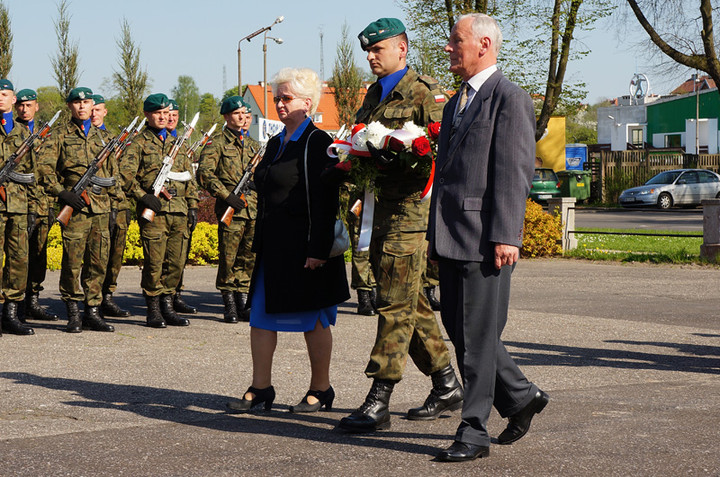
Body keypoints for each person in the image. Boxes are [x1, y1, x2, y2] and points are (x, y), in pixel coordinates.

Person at [427, 14, 549, 462]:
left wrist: (506, 235)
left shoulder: (509, 98)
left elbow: (514, 172)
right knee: (463, 335)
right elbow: (446, 177)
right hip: (451, 235)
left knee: (477, 341)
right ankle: (521, 396)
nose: (449, 48)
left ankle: (474, 431)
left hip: (486, 239)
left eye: (456, 41)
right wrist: (433, 235)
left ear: (483, 44)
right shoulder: (454, 102)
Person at [338, 18, 462, 433]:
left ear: (402, 49)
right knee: (409, 300)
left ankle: (379, 398)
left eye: (378, 49)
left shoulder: (425, 92)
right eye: (368, 52)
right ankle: (446, 383)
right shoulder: (373, 95)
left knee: (392, 303)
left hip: (412, 210)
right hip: (380, 208)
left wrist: (411, 156)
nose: (371, 57)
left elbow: (447, 148)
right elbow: (359, 136)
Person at [227, 67, 349, 414]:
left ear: (307, 103)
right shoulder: (276, 142)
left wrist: (318, 250)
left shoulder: (318, 142)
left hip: (307, 247)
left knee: (313, 320)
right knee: (261, 318)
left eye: (286, 98)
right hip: (275, 246)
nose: (279, 104)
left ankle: (321, 389)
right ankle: (261, 387)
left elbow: (326, 202)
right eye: (276, 98)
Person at [37, 86, 120, 333]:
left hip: (101, 208)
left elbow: (113, 175)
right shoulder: (59, 135)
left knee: (98, 262)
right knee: (72, 262)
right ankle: (73, 312)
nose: (82, 107)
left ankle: (92, 311)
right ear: (70, 106)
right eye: (77, 103)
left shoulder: (104, 137)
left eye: (86, 103)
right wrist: (63, 193)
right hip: (75, 209)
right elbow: (44, 170)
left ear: (93, 105)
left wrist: (114, 204)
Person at [119, 93, 199, 328]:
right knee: (154, 263)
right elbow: (124, 176)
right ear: (147, 114)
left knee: (175, 263)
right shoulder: (139, 144)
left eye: (166, 113)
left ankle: (168, 305)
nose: (163, 117)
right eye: (158, 113)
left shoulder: (178, 144)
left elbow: (188, 177)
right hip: (155, 214)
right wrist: (143, 196)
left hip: (179, 211)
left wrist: (193, 205)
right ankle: (153, 309)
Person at [196, 96, 259, 323]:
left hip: (252, 209)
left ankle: (243, 300)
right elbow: (204, 173)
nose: (241, 117)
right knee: (229, 257)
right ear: (226, 116)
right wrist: (226, 196)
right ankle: (229, 303)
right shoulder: (217, 143)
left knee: (248, 257)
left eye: (244, 113)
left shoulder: (253, 145)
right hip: (231, 210)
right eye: (236, 114)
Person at [14, 88, 59, 323]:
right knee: (19, 257)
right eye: (20, 105)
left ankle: (33, 302)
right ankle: (16, 305)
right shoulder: (13, 132)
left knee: (39, 256)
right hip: (20, 203)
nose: (24, 109)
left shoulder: (48, 134)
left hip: (44, 203)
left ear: (36, 106)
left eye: (29, 105)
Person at [86, 94, 133, 319]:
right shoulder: (86, 138)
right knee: (95, 256)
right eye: (91, 109)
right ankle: (90, 300)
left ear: (105, 112)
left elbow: (123, 173)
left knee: (115, 254)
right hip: (95, 203)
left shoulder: (115, 139)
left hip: (119, 203)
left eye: (98, 110)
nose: (94, 113)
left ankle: (108, 296)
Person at [0, 80, 38, 336]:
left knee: (19, 260)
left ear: (13, 99)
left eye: (4, 94)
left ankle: (11, 314)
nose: (0, 98)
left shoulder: (25, 134)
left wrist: (33, 207)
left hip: (19, 205)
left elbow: (33, 174)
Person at [166, 98, 198, 315]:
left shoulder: (183, 143)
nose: (171, 118)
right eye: (167, 114)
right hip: (163, 207)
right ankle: (163, 299)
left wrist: (193, 205)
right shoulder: (159, 141)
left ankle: (176, 294)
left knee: (180, 255)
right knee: (162, 258)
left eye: (175, 115)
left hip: (182, 207)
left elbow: (191, 179)